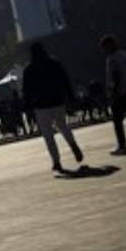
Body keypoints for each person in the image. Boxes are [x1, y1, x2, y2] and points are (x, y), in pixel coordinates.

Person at [22, 43, 85, 173]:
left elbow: (26, 90)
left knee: (48, 135)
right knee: (62, 125)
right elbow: (65, 80)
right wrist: (71, 97)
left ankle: (56, 161)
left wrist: (27, 105)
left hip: (40, 105)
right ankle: (72, 144)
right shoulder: (54, 63)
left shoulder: (29, 69)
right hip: (57, 100)